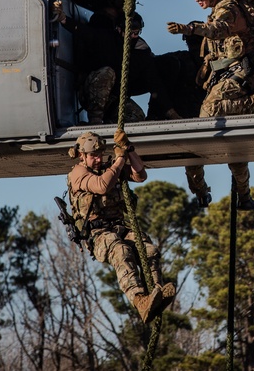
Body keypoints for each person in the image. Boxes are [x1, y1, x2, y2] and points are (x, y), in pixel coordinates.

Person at [167, 0, 254, 210]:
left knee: (207, 117)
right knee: (232, 147)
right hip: (224, 79)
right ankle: (233, 196)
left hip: (240, 77)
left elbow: (218, 29)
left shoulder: (227, 7)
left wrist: (190, 29)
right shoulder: (216, 10)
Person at [66, 130, 176, 323]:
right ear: (82, 155)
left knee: (148, 249)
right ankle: (139, 300)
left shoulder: (110, 169)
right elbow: (101, 186)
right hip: (97, 234)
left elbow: (140, 174)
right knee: (121, 250)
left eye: (100, 155)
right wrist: (118, 160)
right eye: (93, 156)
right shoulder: (78, 173)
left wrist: (128, 150)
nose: (98, 159)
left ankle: (156, 291)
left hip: (119, 228)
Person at [55, 3, 146, 125]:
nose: (133, 36)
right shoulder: (105, 37)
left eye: (137, 33)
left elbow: (150, 65)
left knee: (136, 115)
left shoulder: (136, 47)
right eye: (131, 32)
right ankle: (95, 121)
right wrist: (63, 18)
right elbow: (83, 31)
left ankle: (108, 125)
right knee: (107, 72)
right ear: (119, 29)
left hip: (111, 98)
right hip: (90, 92)